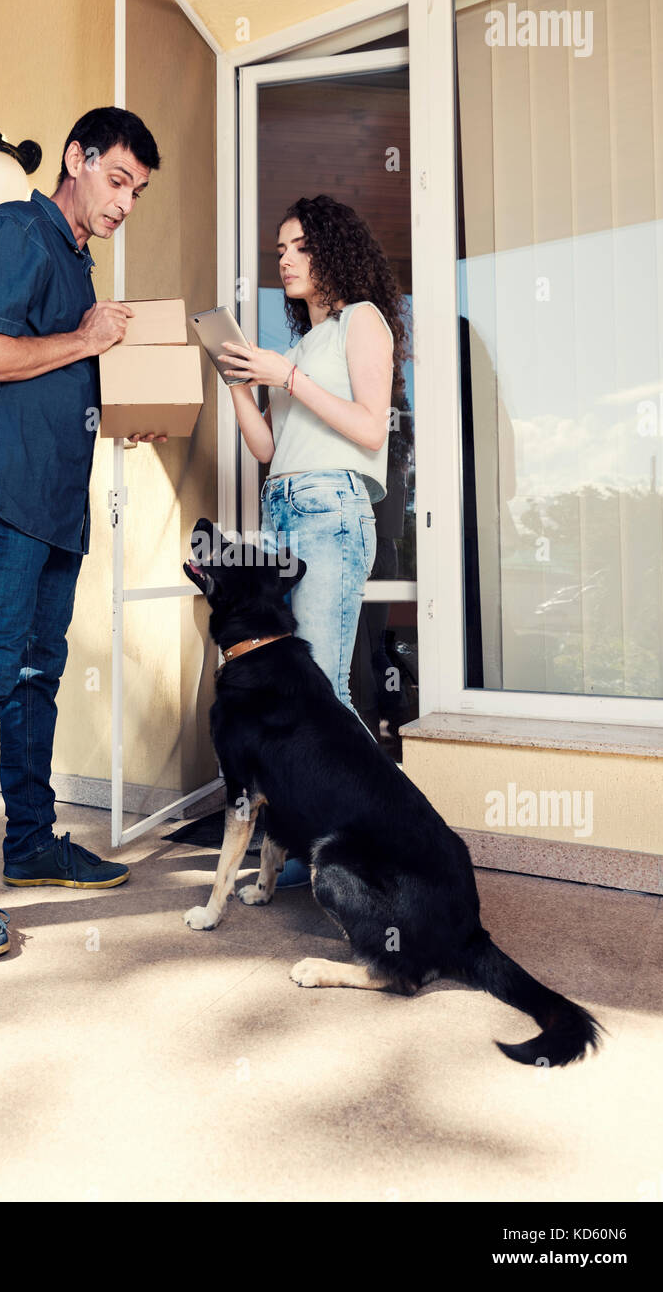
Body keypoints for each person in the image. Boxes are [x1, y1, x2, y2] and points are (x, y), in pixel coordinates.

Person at [0, 107, 166, 961]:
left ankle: (29, 843)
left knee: (36, 678)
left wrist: (129, 413)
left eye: (137, 190)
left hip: (59, 502)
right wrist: (86, 339)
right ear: (78, 157)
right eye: (116, 178)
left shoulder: (74, 264)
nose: (125, 200)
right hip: (6, 498)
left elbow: (55, 375)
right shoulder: (11, 232)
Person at [219, 193, 409, 886]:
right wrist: (240, 385)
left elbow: (367, 429)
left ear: (332, 249)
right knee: (297, 694)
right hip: (284, 508)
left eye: (298, 245)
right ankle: (318, 844)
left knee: (322, 690)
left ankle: (379, 848)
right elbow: (268, 446)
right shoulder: (299, 345)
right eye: (280, 250)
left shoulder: (363, 322)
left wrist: (287, 377)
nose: (285, 258)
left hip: (331, 506)